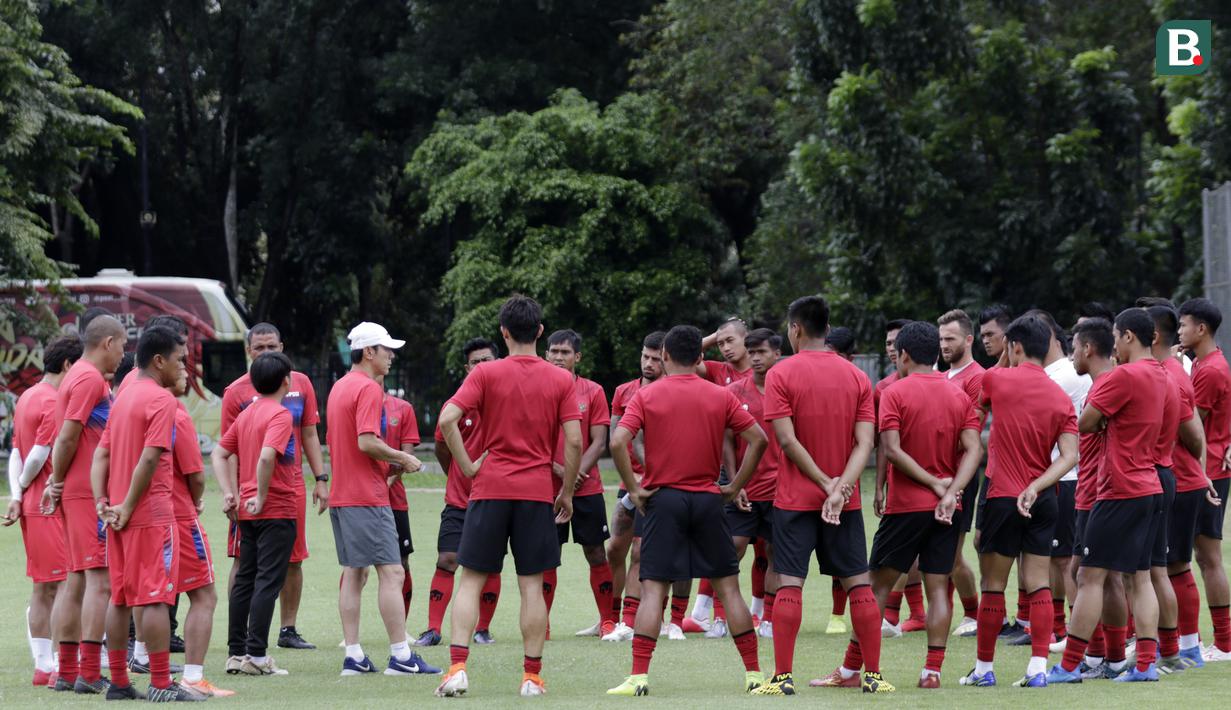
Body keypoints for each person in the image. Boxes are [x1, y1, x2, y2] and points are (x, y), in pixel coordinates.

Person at [606, 325, 768, 697]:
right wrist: (735, 485)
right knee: (729, 588)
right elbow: (758, 439)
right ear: (700, 357)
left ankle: (638, 677)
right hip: (708, 499)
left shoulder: (646, 395)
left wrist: (634, 487)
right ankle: (754, 675)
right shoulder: (721, 395)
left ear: (664, 356)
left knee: (652, 589)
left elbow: (617, 441)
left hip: (663, 500)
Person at [434, 296, 582, 698]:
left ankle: (458, 669)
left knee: (470, 581)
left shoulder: (485, 373)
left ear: (503, 332)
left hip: (490, 489)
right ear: (540, 331)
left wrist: (467, 466)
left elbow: (447, 419)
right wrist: (567, 492)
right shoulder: (561, 379)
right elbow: (574, 441)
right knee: (532, 585)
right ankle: (531, 677)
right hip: (535, 493)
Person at [755, 295, 890, 696]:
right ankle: (873, 675)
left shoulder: (781, 373)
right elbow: (865, 443)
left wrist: (824, 484)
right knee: (858, 585)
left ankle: (782, 678)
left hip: (795, 499)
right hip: (844, 503)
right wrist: (841, 487)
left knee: (789, 584)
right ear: (827, 329)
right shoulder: (856, 377)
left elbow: (786, 440)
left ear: (795, 329)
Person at [1047, 308, 1168, 683]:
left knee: (1089, 576)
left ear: (1128, 336)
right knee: (1140, 578)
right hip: (1149, 483)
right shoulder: (1160, 373)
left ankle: (1070, 666)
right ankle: (1144, 665)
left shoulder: (1124, 376)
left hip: (1119, 488)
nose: (1113, 345)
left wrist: (1100, 418)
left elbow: (1085, 422)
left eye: (1116, 336)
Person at [961, 314, 1077, 688]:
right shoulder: (1060, 397)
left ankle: (984, 671)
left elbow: (975, 411)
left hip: (1002, 497)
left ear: (1015, 346)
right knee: (1038, 583)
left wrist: (1006, 358)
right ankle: (1037, 670)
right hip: (1043, 499)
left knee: (994, 585)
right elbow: (1070, 456)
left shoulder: (996, 379)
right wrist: (1037, 486)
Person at [872, 321, 982, 687]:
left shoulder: (894, 392)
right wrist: (951, 491)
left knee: (876, 587)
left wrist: (934, 484)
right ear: (935, 353)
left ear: (903, 355)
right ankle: (932, 672)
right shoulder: (958, 394)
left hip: (906, 506)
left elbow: (891, 449)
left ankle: (856, 669)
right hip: (948, 508)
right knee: (938, 587)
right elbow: (974, 449)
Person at [327, 322, 439, 677]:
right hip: (366, 496)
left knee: (354, 572)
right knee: (392, 572)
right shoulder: (368, 388)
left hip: (343, 495)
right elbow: (366, 441)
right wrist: (403, 457)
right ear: (369, 352)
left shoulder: (339, 387)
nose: (391, 355)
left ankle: (354, 656)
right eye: (386, 349)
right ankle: (401, 656)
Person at [95, 325, 198, 701]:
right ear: (159, 361)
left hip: (118, 514)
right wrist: (128, 505)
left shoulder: (122, 395)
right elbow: (150, 457)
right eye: (179, 360)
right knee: (155, 598)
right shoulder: (161, 400)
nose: (183, 367)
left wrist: (103, 502)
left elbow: (101, 454)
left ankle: (119, 682)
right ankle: (160, 683)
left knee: (120, 598)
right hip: (149, 513)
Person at [220, 322, 327, 651]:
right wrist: (232, 491)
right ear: (249, 351)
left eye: (271, 347)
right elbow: (229, 450)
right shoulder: (235, 392)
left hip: (290, 488)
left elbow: (309, 433)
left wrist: (320, 479)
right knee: (244, 563)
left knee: (293, 559)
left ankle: (287, 629)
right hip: (252, 491)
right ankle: (245, 637)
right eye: (259, 348)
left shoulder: (301, 384)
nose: (266, 352)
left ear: (282, 347)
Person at [41, 315, 127, 693]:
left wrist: (58, 482)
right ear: (108, 343)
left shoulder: (75, 374)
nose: (123, 355)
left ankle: (66, 671)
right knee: (100, 581)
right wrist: (57, 480)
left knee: (75, 581)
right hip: (86, 492)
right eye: (122, 346)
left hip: (76, 488)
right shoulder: (90, 378)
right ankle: (89, 673)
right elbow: (66, 436)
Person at [214, 352, 307, 678]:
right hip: (276, 508)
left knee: (245, 579)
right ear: (287, 381)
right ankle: (256, 655)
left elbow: (219, 453)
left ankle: (236, 653)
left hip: (247, 512)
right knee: (268, 580)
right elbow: (268, 457)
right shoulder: (280, 415)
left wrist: (230, 492)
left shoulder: (247, 413)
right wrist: (263, 494)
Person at [3, 335, 82, 686]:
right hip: (51, 503)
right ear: (68, 365)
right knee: (65, 584)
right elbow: (38, 454)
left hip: (33, 504)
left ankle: (44, 665)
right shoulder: (53, 400)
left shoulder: (27, 396)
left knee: (42, 587)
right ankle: (62, 664)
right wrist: (25, 487)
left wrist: (17, 494)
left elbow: (16, 452)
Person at [416, 338, 502, 648]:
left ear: (497, 363)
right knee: (447, 558)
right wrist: (459, 473)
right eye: (475, 362)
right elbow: (442, 447)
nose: (481, 366)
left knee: (489, 564)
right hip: (459, 498)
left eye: (486, 360)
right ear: (467, 368)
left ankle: (483, 629)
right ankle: (433, 629)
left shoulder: (504, 400)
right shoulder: (455, 404)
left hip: (494, 497)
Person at [1144, 303, 1209, 671]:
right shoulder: (1165, 371)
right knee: (1168, 566)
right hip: (1177, 480)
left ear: (1152, 335)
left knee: (1174, 566)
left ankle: (1187, 647)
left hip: (1179, 482)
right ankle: (1177, 645)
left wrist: (1196, 471)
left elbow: (1194, 433)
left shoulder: (1171, 375)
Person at [540, 330, 616, 638]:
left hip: (587, 488)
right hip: (547, 488)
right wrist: (561, 470)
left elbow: (599, 442)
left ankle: (607, 621)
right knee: (547, 556)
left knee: (596, 553)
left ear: (577, 357)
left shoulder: (593, 391)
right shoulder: (538, 391)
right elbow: (532, 439)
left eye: (565, 352)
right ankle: (541, 623)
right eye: (554, 351)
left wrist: (573, 474)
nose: (559, 357)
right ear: (546, 354)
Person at [165, 352, 231, 696]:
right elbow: (195, 474)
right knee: (204, 594)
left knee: (145, 596)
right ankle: (192, 677)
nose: (186, 372)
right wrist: (194, 500)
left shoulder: (126, 401)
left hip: (140, 514)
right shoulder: (175, 412)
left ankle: (142, 668)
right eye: (179, 362)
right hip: (176, 513)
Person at [1023, 310, 1089, 650]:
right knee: (1055, 558)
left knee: (1065, 561)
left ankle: (1074, 632)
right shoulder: (1054, 374)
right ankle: (1060, 628)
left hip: (1066, 477)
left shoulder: (1062, 376)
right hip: (1057, 476)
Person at [1177, 298, 1231, 661]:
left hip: (1207, 472)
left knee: (1207, 557)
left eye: (1183, 325)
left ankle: (1223, 643)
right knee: (1197, 556)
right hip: (1206, 468)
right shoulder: (1202, 363)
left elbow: (1191, 425)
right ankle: (1194, 639)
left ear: (1201, 329)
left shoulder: (1211, 370)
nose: (1179, 331)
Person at [603, 332, 666, 643]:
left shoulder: (671, 392)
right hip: (629, 482)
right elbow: (616, 439)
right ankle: (609, 618)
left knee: (642, 551)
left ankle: (632, 620)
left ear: (666, 359)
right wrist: (630, 480)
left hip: (658, 484)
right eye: (645, 356)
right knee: (615, 548)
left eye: (655, 358)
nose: (648, 363)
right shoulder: (623, 391)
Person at [722, 329, 784, 639]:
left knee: (775, 552)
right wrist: (736, 482)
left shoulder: (788, 390)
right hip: (744, 488)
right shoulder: (734, 392)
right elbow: (726, 440)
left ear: (777, 354)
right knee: (731, 548)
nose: (756, 358)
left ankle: (769, 619)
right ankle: (724, 616)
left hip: (780, 490)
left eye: (762, 352)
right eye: (752, 352)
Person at [873, 319, 926, 638]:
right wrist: (880, 484)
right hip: (910, 484)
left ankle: (898, 615)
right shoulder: (884, 388)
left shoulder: (940, 385)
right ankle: (906, 616)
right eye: (887, 343)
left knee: (943, 562)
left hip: (933, 487)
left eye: (896, 343)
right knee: (907, 555)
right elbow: (884, 444)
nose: (891, 349)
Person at [937, 309, 985, 638]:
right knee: (935, 555)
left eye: (950, 338)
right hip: (936, 474)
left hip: (960, 475)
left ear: (968, 340)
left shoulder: (977, 377)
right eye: (941, 339)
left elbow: (970, 430)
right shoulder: (942, 377)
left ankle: (973, 614)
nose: (944, 345)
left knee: (951, 556)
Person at [381, 388, 420, 623]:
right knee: (356, 568)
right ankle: (350, 637)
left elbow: (408, 457)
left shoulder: (402, 408)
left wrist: (386, 483)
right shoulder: (351, 404)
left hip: (394, 500)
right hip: (361, 500)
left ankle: (401, 627)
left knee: (402, 563)